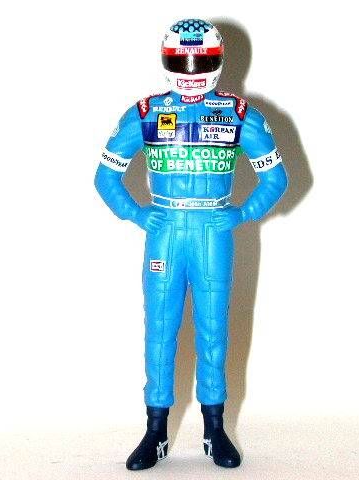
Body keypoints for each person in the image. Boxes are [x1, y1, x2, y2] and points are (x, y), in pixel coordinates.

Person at [94, 18, 288, 470]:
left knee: (214, 329)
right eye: (181, 61)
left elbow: (276, 178)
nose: (191, 71)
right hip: (165, 232)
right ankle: (155, 431)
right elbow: (105, 176)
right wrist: (137, 213)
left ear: (218, 61)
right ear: (165, 61)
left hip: (212, 232)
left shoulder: (238, 113)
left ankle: (214, 430)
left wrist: (242, 213)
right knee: (160, 329)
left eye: (201, 61)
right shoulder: (146, 112)